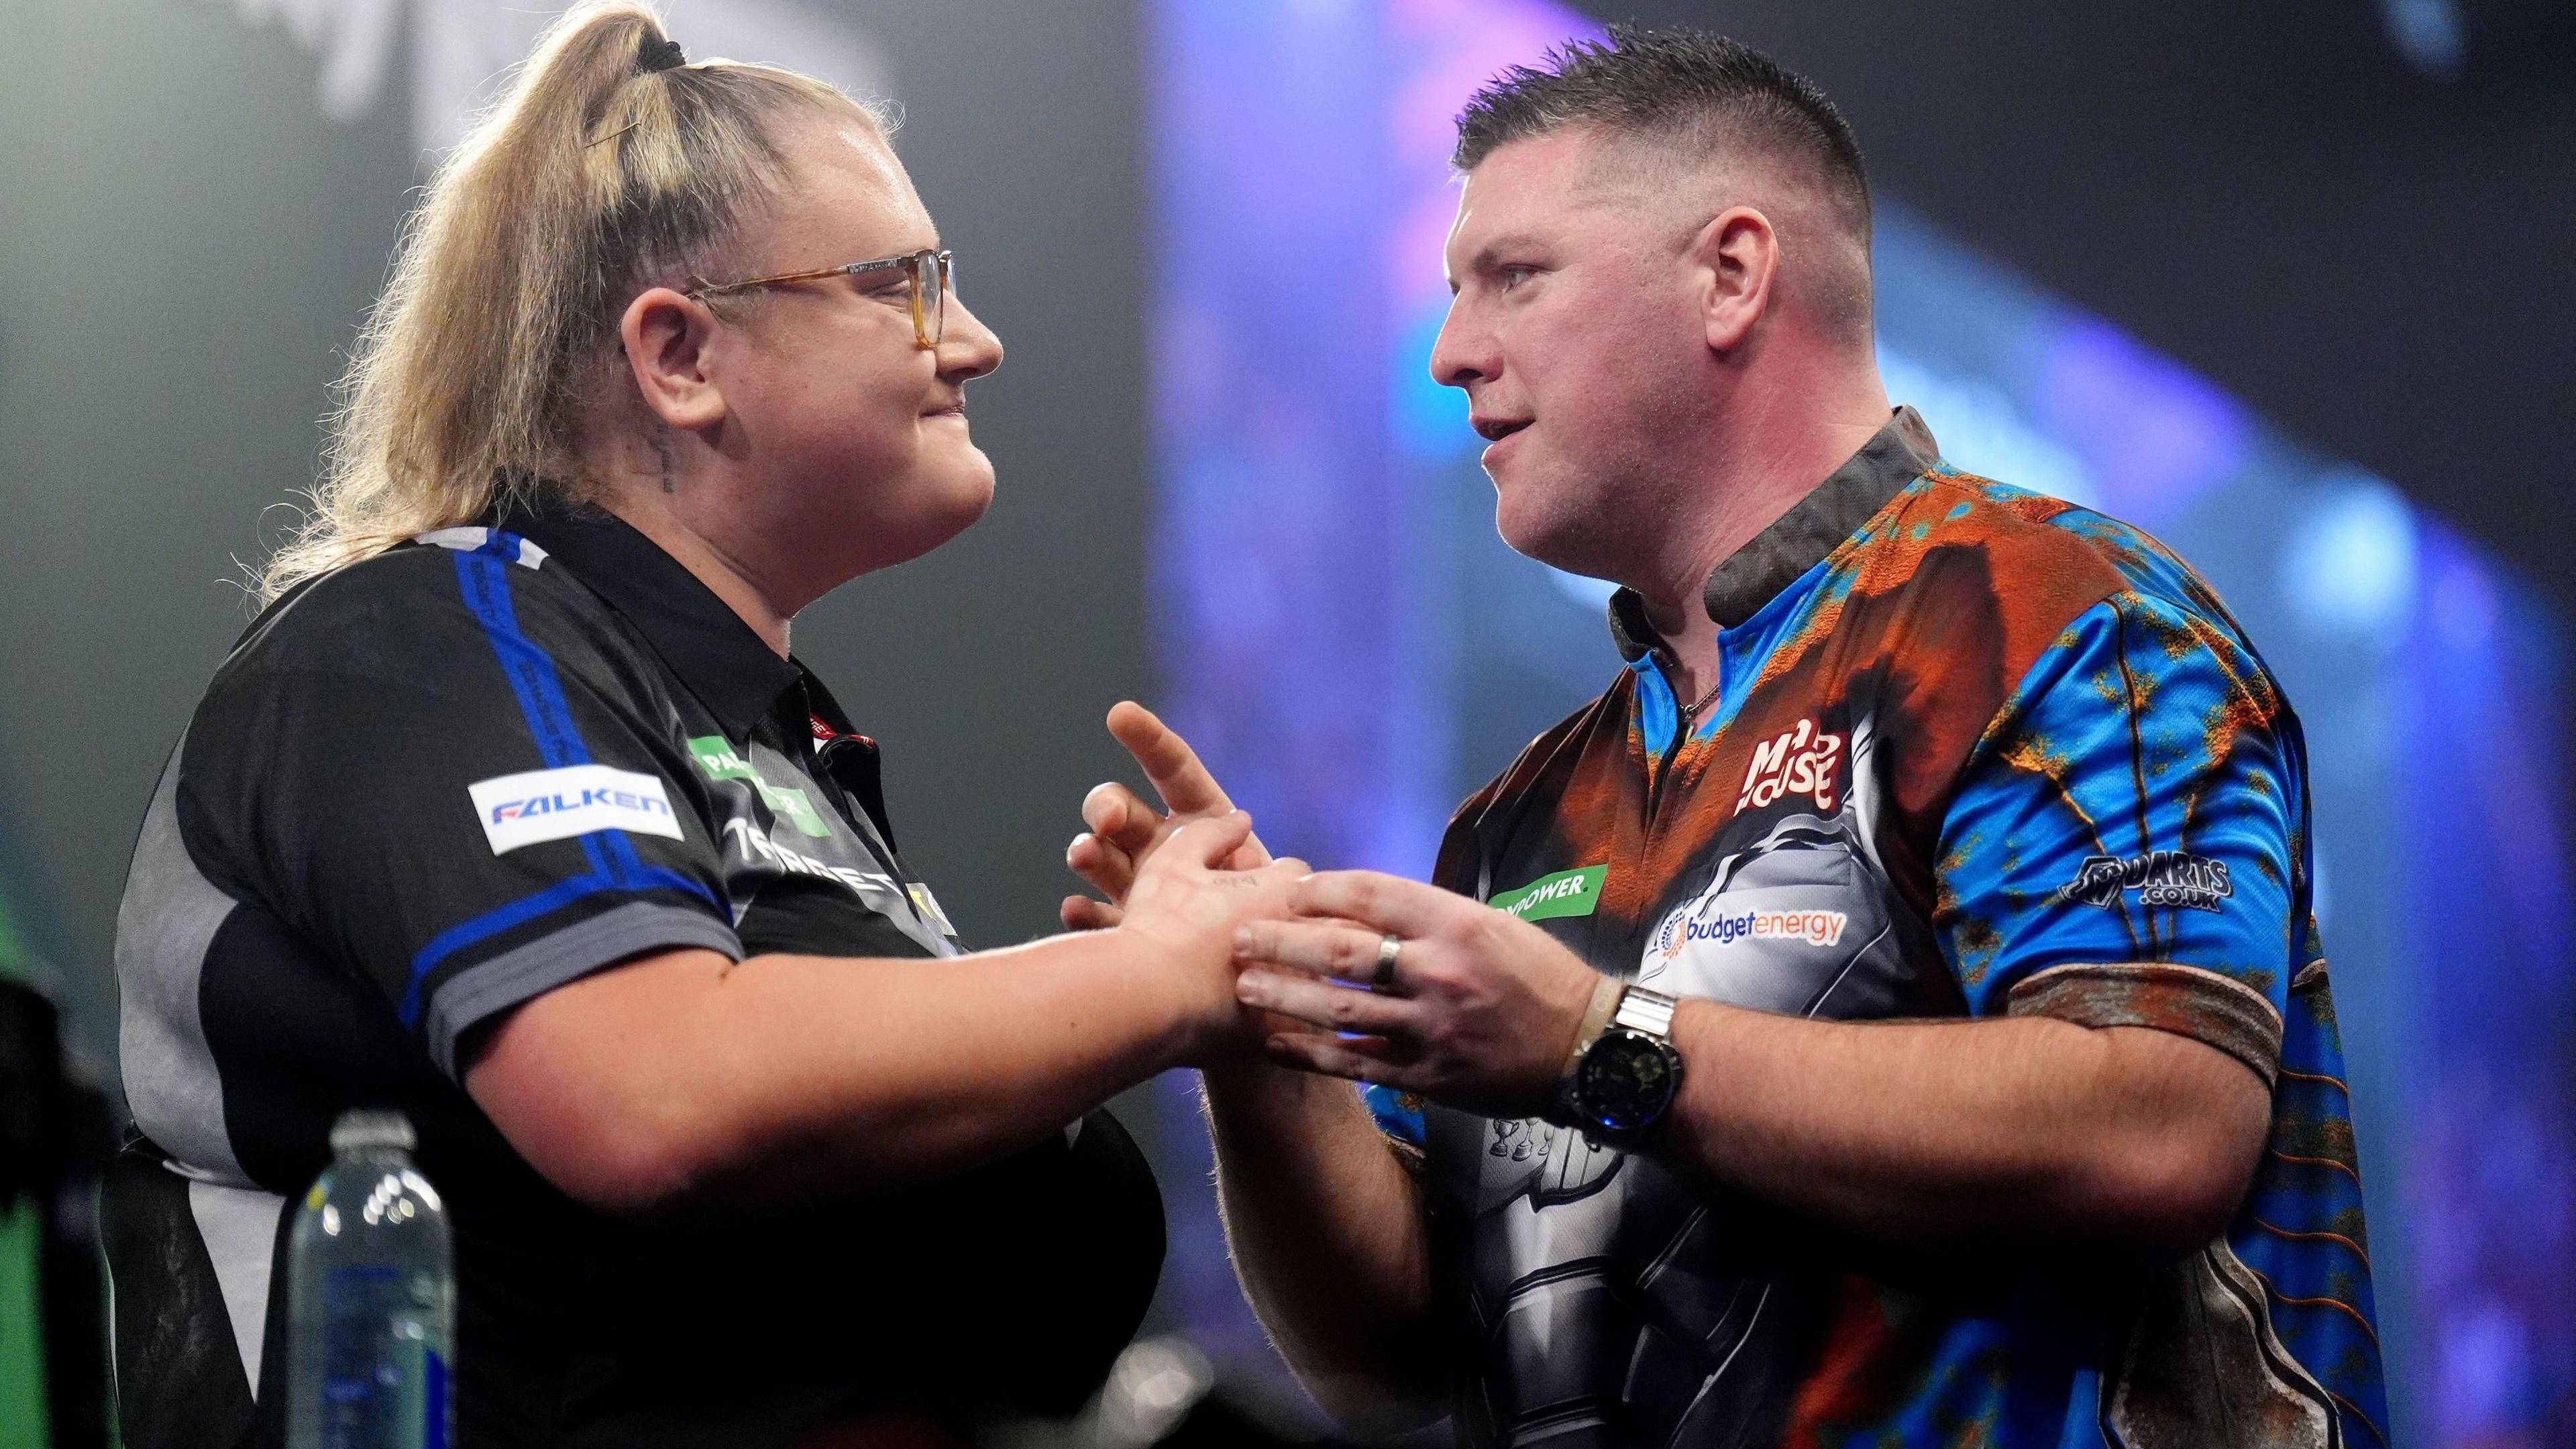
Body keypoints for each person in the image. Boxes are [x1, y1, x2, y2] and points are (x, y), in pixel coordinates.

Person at [1065, 28, 2388, 1449]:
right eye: (1455, 290)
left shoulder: (2058, 615)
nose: (1453, 351)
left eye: (1514, 276)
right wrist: (1251, 1039)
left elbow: (2159, 1128)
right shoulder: (1526, 814)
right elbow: (1395, 1356)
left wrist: (1592, 1042)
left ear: (1732, 274)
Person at [103, 7, 1301, 1447]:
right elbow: (654, 1099)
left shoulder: (772, 741)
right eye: (904, 284)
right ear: (678, 354)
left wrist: (1155, 1001)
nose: (974, 341)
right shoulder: (426, 644)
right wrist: (1164, 981)